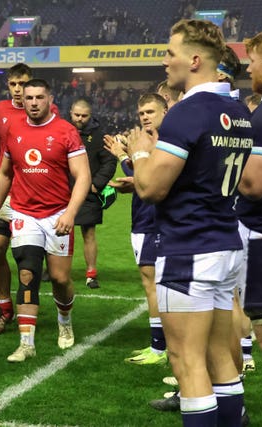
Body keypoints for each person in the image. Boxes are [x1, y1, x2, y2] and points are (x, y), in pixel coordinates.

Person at [129, 19, 253, 426]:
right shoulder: (237, 110)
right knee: (222, 359)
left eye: (170, 53)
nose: (165, 61)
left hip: (188, 249)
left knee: (187, 362)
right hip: (224, 243)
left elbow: (152, 189)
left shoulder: (186, 112)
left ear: (194, 60)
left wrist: (140, 152)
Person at [0, 79, 91, 361]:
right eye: (29, 98)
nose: (33, 102)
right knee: (27, 274)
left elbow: (82, 175)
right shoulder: (14, 130)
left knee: (59, 278)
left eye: (39, 97)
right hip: (24, 213)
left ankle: (65, 320)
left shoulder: (65, 131)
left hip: (57, 213)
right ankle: (26, 343)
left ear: (50, 99)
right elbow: (5, 174)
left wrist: (70, 213)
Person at [0, 63, 59, 335]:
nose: (18, 90)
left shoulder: (48, 113)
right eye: (13, 85)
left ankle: (29, 307)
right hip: (4, 192)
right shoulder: (0, 111)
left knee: (29, 260)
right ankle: (5, 309)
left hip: (34, 193)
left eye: (23, 84)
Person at [104, 93, 168, 365]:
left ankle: (159, 347)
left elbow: (146, 175)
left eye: (151, 112)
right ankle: (161, 345)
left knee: (153, 283)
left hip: (153, 221)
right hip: (144, 217)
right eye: (142, 113)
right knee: (151, 282)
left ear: (165, 111)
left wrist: (122, 156)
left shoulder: (165, 142)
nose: (145, 117)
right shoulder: (148, 140)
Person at [237, 29, 262, 387]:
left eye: (253, 62)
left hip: (259, 230)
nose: (249, 70)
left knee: (259, 317)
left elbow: (253, 186)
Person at [69, 98, 117, 289]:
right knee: (58, 233)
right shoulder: (62, 130)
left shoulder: (99, 136)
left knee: (88, 233)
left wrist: (95, 184)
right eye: (77, 115)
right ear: (71, 112)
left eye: (84, 116)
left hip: (88, 193)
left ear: (90, 115)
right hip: (63, 192)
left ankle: (91, 274)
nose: (80, 119)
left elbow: (110, 161)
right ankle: (56, 270)